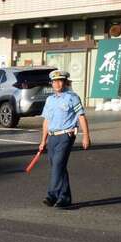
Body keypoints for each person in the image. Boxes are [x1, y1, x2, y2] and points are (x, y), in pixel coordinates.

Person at [38, 69, 91, 209]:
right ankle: (65, 197)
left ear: (65, 82)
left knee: (57, 165)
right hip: (52, 137)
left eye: (60, 81)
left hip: (66, 136)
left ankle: (52, 195)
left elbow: (81, 116)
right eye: (54, 81)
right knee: (58, 167)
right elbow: (46, 121)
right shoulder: (50, 100)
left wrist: (86, 136)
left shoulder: (72, 97)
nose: (57, 84)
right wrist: (43, 140)